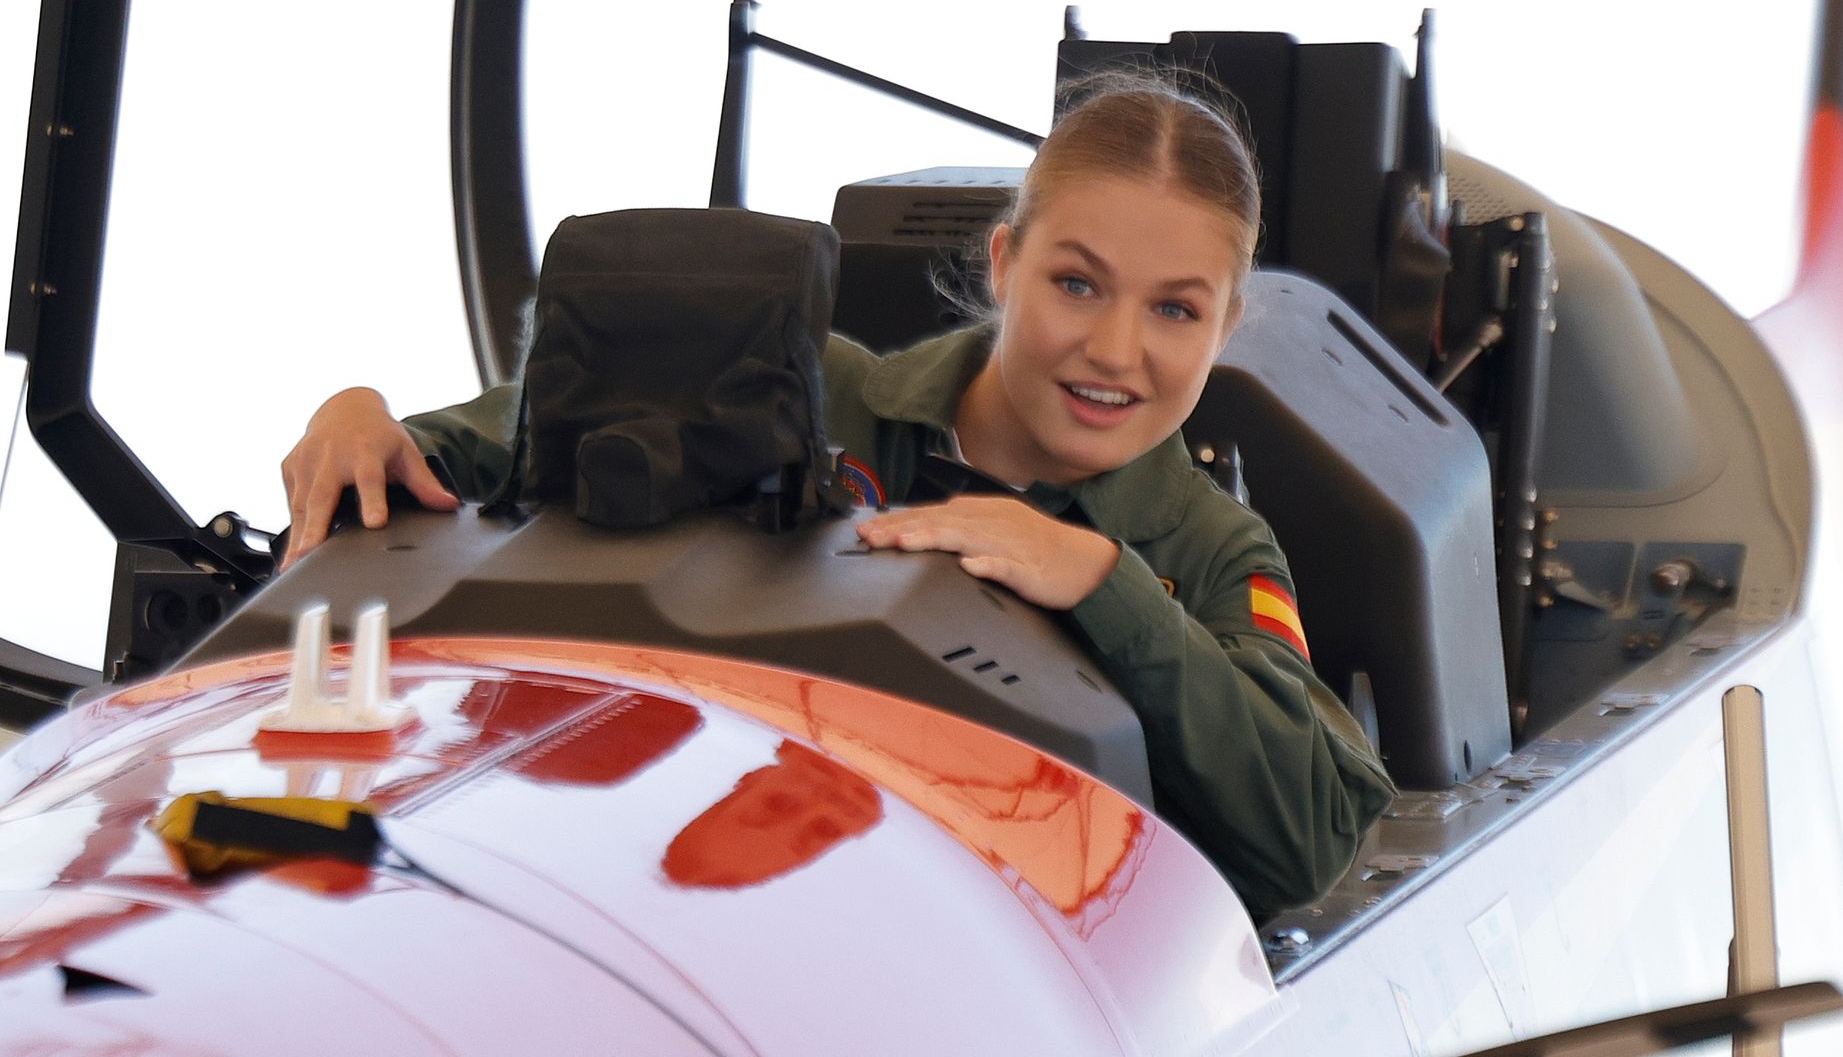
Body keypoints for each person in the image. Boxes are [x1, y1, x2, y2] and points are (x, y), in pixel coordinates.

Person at [278, 77, 1394, 918]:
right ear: (1004, 263)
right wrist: (362, 419)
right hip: (657, 877)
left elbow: (1311, 832)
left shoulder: (1209, 553)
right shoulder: (798, 388)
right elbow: (479, 457)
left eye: (1175, 310)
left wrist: (1108, 588)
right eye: (1075, 283)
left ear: (1227, 325)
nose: (1113, 349)